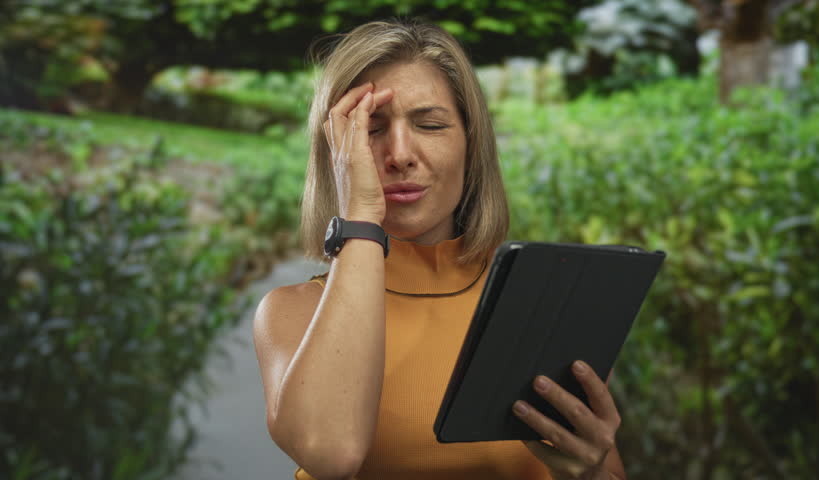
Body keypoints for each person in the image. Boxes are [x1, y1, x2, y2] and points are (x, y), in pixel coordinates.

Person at [253, 19, 627, 480]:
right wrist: (360, 219)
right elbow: (331, 454)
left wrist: (590, 472)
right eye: (370, 129)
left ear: (471, 143)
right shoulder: (292, 312)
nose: (400, 154)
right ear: (335, 154)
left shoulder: (546, 303)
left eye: (430, 124)